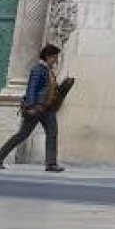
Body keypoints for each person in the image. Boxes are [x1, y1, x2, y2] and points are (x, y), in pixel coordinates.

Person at [0, 44, 66, 172]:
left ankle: (51, 163)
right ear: (47, 57)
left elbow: (49, 88)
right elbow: (32, 88)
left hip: (48, 109)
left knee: (52, 133)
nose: (56, 60)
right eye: (54, 57)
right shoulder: (38, 69)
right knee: (22, 135)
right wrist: (31, 106)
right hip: (36, 108)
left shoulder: (49, 70)